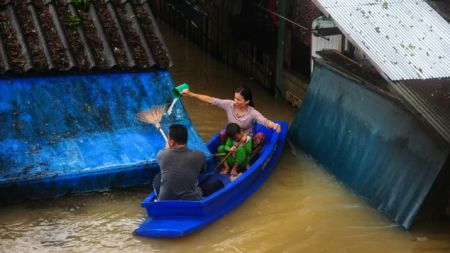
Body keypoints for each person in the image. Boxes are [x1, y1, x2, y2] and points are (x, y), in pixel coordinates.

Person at [181, 86, 281, 137]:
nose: (235, 101)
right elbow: (211, 100)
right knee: (222, 137)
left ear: (247, 101)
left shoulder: (252, 112)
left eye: (239, 100)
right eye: (234, 98)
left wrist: (275, 126)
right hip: (231, 134)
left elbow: (264, 121)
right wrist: (191, 94)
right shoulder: (229, 105)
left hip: (244, 138)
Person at [153, 124, 206, 201]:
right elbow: (203, 171)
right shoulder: (200, 155)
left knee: (158, 177)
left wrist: (167, 147)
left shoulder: (161, 154)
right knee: (217, 183)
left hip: (165, 200)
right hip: (191, 199)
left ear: (171, 142)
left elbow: (165, 156)